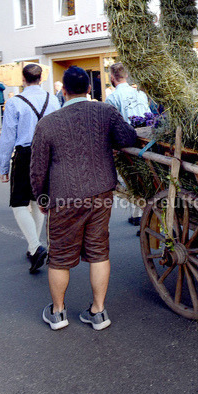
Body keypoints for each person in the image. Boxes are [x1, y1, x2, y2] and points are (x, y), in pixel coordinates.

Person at [30, 66, 137, 331]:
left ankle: (58, 313)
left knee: (59, 257)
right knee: (99, 252)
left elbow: (37, 169)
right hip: (101, 193)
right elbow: (127, 137)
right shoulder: (105, 112)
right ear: (89, 89)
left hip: (64, 198)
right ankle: (98, 312)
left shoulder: (47, 124)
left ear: (64, 91)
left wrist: (42, 199)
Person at [0, 63, 60, 273]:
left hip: (26, 154)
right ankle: (33, 248)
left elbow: (8, 136)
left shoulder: (15, 102)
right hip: (48, 153)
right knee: (38, 199)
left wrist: (3, 166)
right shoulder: (53, 99)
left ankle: (35, 246)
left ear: (23, 79)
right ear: (41, 79)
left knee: (19, 202)